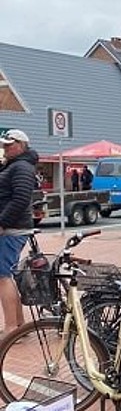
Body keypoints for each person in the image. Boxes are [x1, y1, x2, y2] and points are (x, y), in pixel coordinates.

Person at [0, 130, 38, 332]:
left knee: (2, 277)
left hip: (11, 229)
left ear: (21, 145)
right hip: (11, 228)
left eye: (9, 145)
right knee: (7, 276)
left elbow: (21, 199)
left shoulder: (22, 167)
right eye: (4, 145)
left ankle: (10, 329)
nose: (5, 148)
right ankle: (19, 326)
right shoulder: (14, 165)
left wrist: (2, 223)